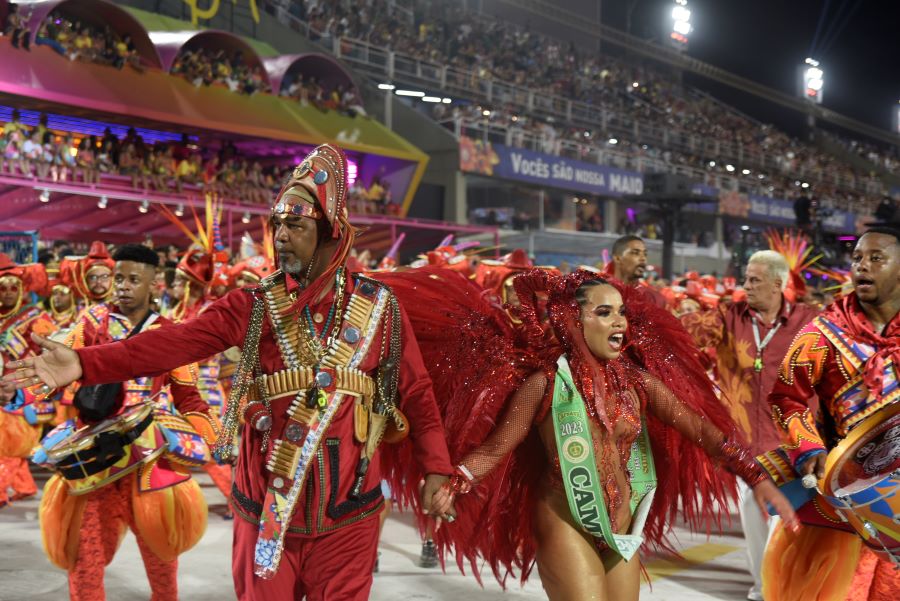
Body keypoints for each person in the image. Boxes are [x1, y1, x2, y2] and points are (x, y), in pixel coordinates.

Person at [5, 144, 454, 600]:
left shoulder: (378, 307)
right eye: (277, 223)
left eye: (294, 225)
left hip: (348, 512)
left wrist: (436, 467)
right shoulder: (253, 305)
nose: (280, 236)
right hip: (266, 508)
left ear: (329, 231)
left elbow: (415, 391)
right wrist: (85, 362)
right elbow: (172, 343)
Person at [379, 266, 796, 600]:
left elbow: (704, 432)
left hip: (621, 528)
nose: (619, 322)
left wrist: (754, 476)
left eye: (621, 312)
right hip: (566, 520)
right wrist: (457, 481)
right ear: (572, 320)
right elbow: (497, 447)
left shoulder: (638, 382)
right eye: (604, 313)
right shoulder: (544, 384)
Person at [34, 243, 216, 601]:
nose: (123, 286)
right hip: (97, 460)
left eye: (134, 279)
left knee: (162, 556)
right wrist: (25, 391)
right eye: (119, 278)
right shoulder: (89, 324)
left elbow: (189, 395)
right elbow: (54, 372)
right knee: (85, 556)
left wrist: (210, 433)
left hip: (151, 461)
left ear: (154, 285)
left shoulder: (171, 332)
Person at [762, 227, 900, 600]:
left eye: (876, 258)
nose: (862, 266)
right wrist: (809, 449)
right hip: (842, 495)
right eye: (857, 258)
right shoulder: (824, 333)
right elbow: (785, 397)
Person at [681, 250, 818, 601]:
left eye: (755, 280)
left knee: (787, 523)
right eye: (746, 279)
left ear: (778, 284)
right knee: (754, 514)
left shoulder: (809, 321)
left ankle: (784, 588)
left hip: (792, 442)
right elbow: (686, 337)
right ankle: (763, 590)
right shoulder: (728, 316)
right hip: (743, 443)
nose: (746, 287)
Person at [0, 253, 55, 507]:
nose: (8, 292)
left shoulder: (36, 318)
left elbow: (52, 352)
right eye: (3, 288)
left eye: (14, 287)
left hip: (24, 392)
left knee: (10, 445)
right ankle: (24, 485)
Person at [608, 235, 667, 309]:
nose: (643, 258)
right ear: (617, 258)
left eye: (645, 254)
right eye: (635, 253)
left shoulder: (654, 299)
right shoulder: (599, 293)